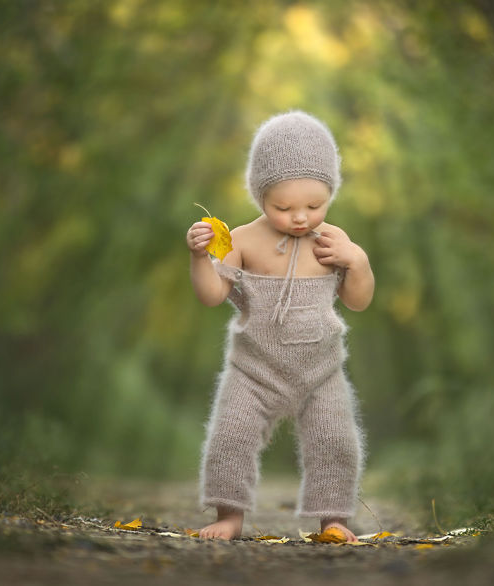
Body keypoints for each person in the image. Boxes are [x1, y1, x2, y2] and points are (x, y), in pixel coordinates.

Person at [185, 111, 374, 541]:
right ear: (260, 195)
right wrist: (200, 259)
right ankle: (229, 515)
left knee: (336, 441)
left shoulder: (333, 242)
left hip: (320, 370)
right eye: (283, 208)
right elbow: (212, 294)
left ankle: (334, 519)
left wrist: (357, 261)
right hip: (254, 369)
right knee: (230, 436)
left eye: (315, 206)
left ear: (331, 193)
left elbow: (358, 301)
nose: (300, 218)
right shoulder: (242, 240)